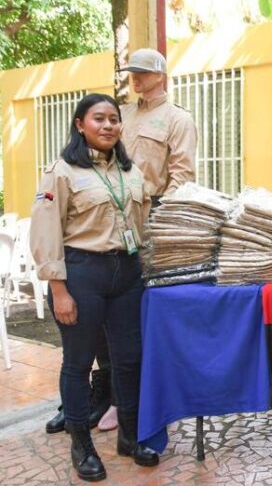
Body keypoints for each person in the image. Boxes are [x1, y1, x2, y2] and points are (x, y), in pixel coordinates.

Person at [31, 94, 160, 481]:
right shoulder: (62, 172)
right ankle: (81, 445)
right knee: (78, 363)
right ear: (79, 125)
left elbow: (144, 225)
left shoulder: (131, 171)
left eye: (114, 120)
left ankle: (131, 437)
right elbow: (46, 231)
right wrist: (59, 291)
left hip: (127, 273)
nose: (107, 126)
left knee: (129, 359)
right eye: (98, 119)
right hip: (83, 273)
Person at [118, 47, 197, 206]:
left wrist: (162, 211)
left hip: (153, 205)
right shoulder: (121, 114)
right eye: (133, 72)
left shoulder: (178, 119)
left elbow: (183, 174)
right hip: (117, 203)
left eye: (143, 72)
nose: (135, 77)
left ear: (160, 76)